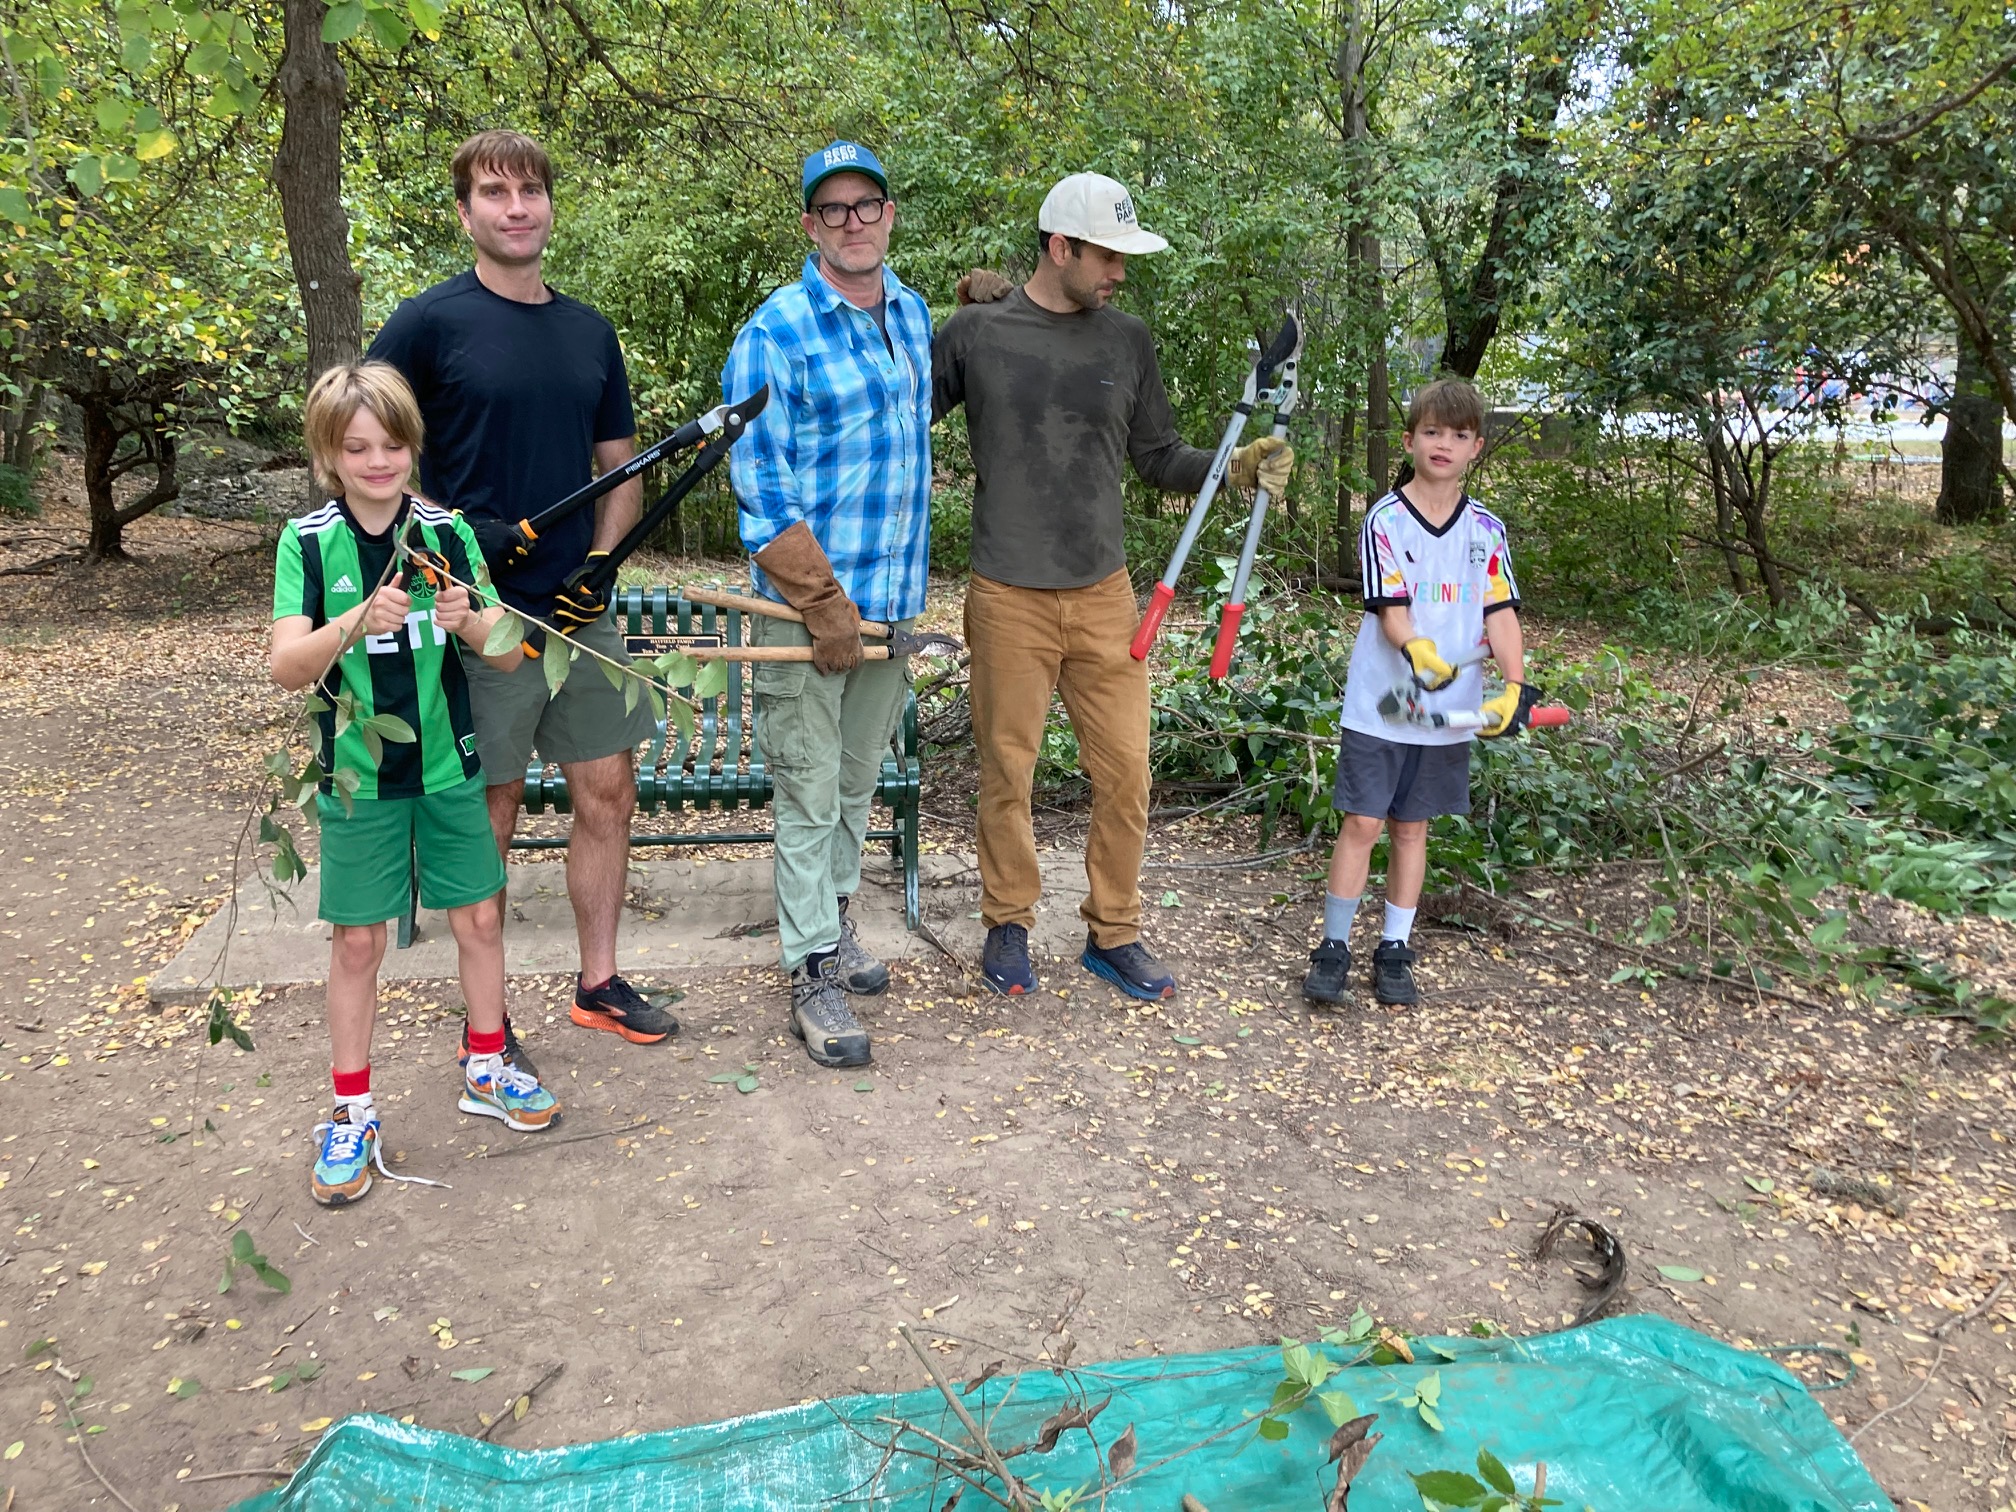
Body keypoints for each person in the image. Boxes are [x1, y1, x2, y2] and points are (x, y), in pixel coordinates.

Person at [932, 172, 1293, 1002]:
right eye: (1108, 256)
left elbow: (1160, 457)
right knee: (1007, 774)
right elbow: (896, 413)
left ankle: (1113, 932)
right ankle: (1010, 924)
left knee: (1128, 771)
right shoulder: (976, 333)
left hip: (1104, 594)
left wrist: (1233, 468)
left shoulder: (1126, 340)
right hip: (1006, 593)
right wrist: (962, 314)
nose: (1119, 273)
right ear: (1060, 248)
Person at [369, 129, 675, 1061]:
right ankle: (485, 1026)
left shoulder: (589, 331)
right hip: (474, 614)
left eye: (531, 191)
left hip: (577, 612)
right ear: (465, 211)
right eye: (495, 193)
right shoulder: (427, 323)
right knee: (488, 811)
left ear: (548, 206)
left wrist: (603, 562)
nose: (516, 207)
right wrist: (450, 535)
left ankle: (598, 983)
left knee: (607, 791)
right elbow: (368, 456)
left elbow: (619, 466)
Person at [272, 361, 561, 1207]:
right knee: (359, 941)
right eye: (357, 447)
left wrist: (476, 620)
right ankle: (352, 1110)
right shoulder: (310, 540)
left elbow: (508, 651)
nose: (378, 461)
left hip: (448, 765)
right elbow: (289, 667)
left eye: (393, 444)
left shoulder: (447, 531)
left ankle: (485, 1062)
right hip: (358, 775)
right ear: (329, 453)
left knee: (476, 913)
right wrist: (355, 621)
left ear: (414, 446)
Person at [721, 141, 933, 1068]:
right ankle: (810, 972)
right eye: (833, 209)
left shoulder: (915, 317)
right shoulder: (775, 332)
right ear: (811, 225)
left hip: (892, 607)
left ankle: (835, 923)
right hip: (807, 618)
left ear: (889, 215)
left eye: (868, 204)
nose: (853, 221)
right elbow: (759, 487)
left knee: (854, 785)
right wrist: (819, 600)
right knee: (807, 794)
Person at [1302, 376, 1537, 1008]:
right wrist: (1415, 647)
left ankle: (1395, 949)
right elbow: (1392, 610)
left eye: (1459, 435)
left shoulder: (1487, 530)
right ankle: (1333, 947)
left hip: (1448, 711)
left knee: (1412, 829)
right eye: (1432, 431)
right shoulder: (1384, 519)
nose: (1444, 444)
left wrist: (1515, 686)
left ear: (1476, 447)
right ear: (1409, 440)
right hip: (1383, 702)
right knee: (1362, 821)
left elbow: (1502, 613)